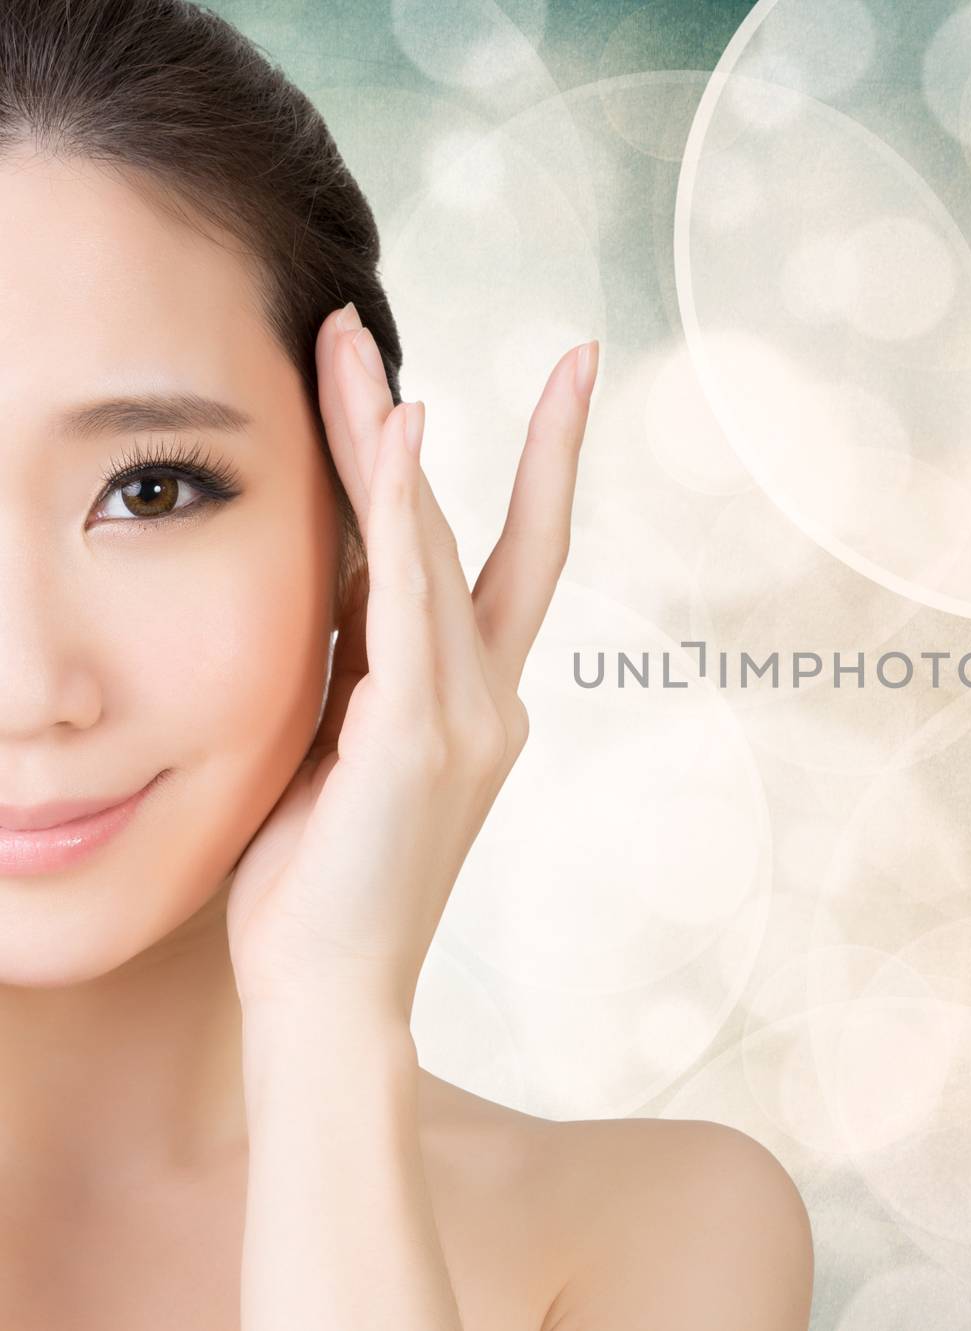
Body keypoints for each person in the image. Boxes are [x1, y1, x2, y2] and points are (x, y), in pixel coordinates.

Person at [0, 1, 815, 1327]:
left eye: (150, 490)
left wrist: (328, 1025)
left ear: (359, 533)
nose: (28, 687)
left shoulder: (645, 1233)